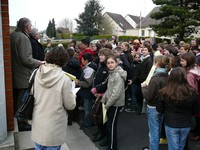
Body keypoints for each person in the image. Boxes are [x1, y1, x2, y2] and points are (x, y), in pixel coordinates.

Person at [31, 46, 76, 150]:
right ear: (64, 60)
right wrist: (73, 95)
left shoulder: (35, 73)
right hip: (55, 125)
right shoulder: (65, 79)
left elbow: (32, 93)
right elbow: (70, 105)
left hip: (38, 121)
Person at [10, 17, 44, 131]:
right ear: (27, 27)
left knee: (18, 99)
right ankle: (22, 123)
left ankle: (19, 121)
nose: (31, 28)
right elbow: (26, 59)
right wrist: (39, 63)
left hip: (15, 74)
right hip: (23, 76)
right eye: (31, 26)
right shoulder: (23, 38)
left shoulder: (12, 35)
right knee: (23, 100)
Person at [157, 67, 199, 150]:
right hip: (186, 123)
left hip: (171, 123)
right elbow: (196, 110)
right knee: (181, 146)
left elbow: (159, 109)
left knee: (173, 147)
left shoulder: (164, 92)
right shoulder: (192, 92)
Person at [142, 55, 173, 150]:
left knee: (153, 132)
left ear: (156, 63)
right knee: (158, 128)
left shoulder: (155, 79)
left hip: (153, 107)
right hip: (164, 106)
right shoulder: (169, 76)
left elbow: (148, 96)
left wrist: (143, 87)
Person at [101, 55, 127, 150]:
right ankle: (110, 143)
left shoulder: (117, 75)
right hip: (110, 103)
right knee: (109, 125)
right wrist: (103, 99)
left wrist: (107, 105)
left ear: (116, 63)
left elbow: (116, 94)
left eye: (112, 62)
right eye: (108, 63)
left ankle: (112, 147)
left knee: (111, 126)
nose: (110, 65)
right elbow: (109, 89)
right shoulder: (111, 73)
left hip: (115, 104)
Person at [90, 48, 112, 143]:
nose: (100, 56)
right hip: (97, 94)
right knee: (98, 116)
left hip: (103, 95)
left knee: (103, 118)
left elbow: (107, 83)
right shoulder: (101, 65)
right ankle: (100, 132)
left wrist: (97, 89)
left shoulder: (107, 67)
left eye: (102, 55)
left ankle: (104, 135)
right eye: (99, 55)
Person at [180, 52, 200, 141]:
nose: (180, 62)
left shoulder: (189, 75)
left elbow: (191, 90)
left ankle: (198, 133)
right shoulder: (196, 68)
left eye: (182, 61)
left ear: (188, 61)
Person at [76, 53, 97, 129]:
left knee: (87, 109)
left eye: (82, 59)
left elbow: (87, 84)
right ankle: (88, 121)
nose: (81, 61)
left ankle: (87, 123)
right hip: (87, 92)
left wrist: (79, 82)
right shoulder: (89, 67)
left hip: (88, 92)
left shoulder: (89, 69)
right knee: (88, 108)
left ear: (86, 60)